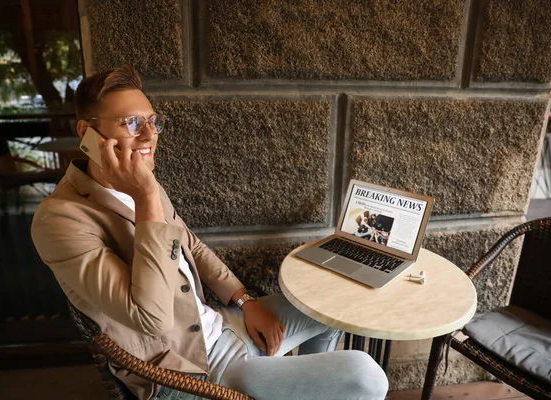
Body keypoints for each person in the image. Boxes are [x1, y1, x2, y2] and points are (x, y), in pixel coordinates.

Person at [31, 66, 388, 400]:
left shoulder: (142, 185)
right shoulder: (61, 220)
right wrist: (145, 197)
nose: (149, 134)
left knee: (327, 309)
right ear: (87, 133)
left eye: (153, 121)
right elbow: (151, 318)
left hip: (220, 327)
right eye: (131, 122)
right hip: (186, 370)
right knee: (365, 375)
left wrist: (245, 301)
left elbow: (193, 247)